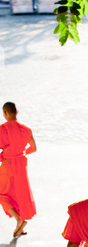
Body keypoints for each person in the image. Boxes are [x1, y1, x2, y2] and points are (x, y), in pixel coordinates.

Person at [0, 102, 36, 237]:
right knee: (19, 194)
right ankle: (19, 226)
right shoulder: (26, 129)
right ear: (17, 112)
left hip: (8, 165)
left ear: (5, 113)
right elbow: (33, 148)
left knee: (2, 195)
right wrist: (21, 153)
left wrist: (3, 155)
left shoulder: (2, 129)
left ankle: (18, 219)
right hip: (21, 165)